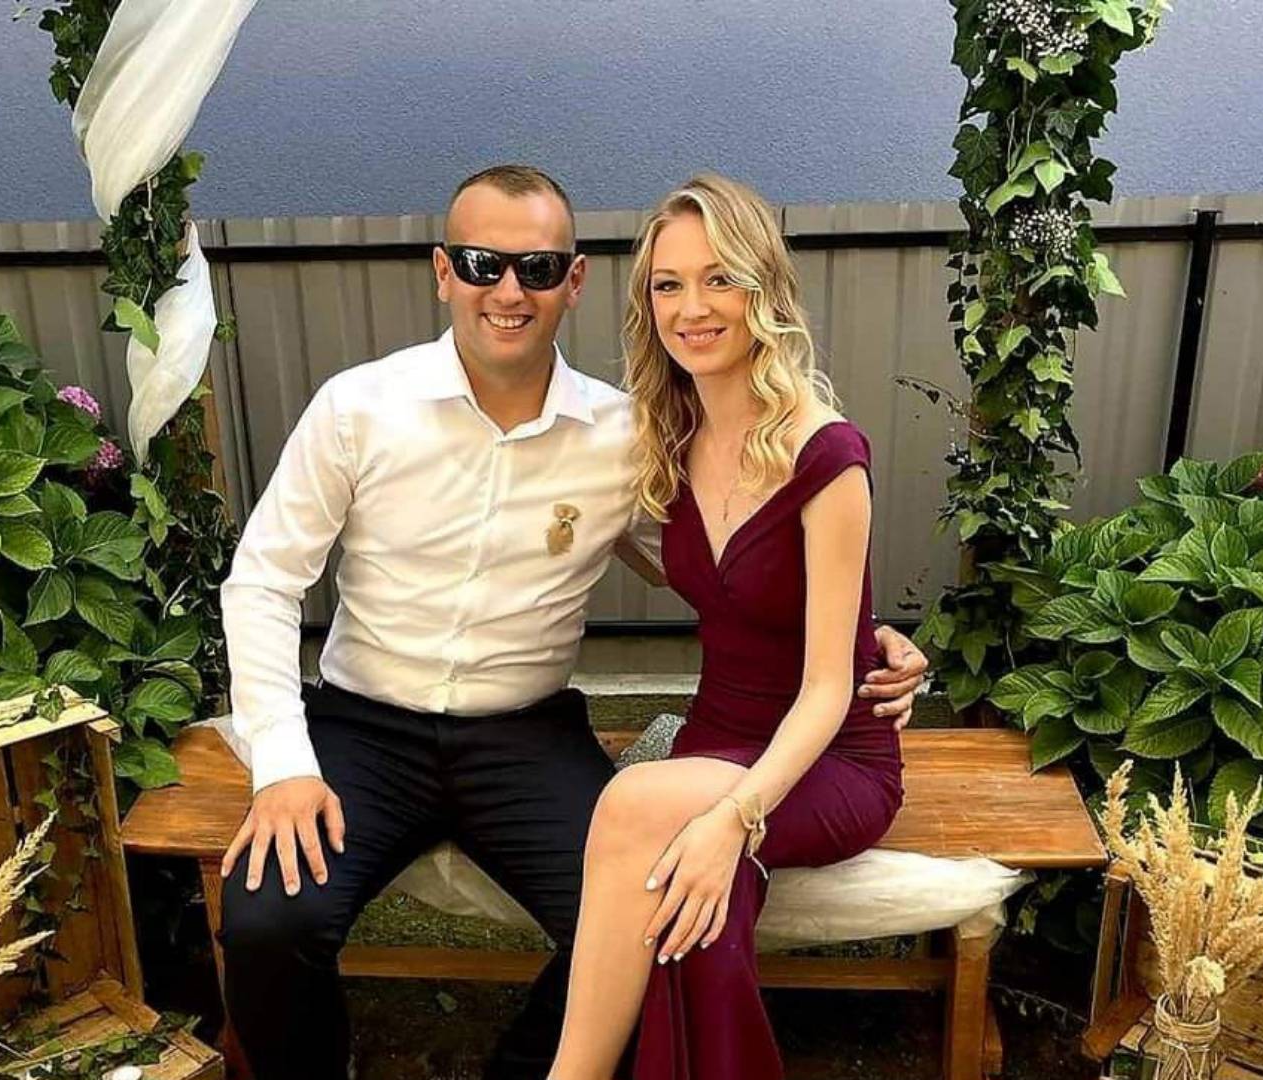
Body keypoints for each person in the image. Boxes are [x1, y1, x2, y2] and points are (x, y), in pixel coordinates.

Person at [215, 165, 926, 1080]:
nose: (509, 291)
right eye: (483, 264)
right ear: (443, 271)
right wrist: (282, 765)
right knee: (267, 922)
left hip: (524, 738)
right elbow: (263, 581)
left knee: (634, 919)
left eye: (538, 268)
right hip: (364, 729)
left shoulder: (625, 437)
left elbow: (744, 559)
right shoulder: (359, 408)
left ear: (575, 280)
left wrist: (870, 637)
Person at [549, 175, 905, 1080]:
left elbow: (827, 686)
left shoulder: (828, 455)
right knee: (692, 924)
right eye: (668, 285)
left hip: (826, 755)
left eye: (719, 279)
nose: (692, 307)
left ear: (764, 290)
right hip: (717, 738)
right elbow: (707, 573)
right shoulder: (669, 439)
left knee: (634, 808)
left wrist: (733, 818)